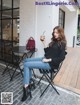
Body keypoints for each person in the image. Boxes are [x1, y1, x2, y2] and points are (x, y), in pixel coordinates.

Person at [21, 26, 67, 101]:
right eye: (54, 32)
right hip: (45, 58)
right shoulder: (54, 41)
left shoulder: (62, 43)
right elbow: (48, 52)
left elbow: (61, 58)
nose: (55, 34)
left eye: (56, 32)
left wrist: (48, 60)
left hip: (50, 64)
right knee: (26, 60)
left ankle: (26, 87)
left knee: (26, 65)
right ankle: (30, 82)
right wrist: (44, 43)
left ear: (60, 33)